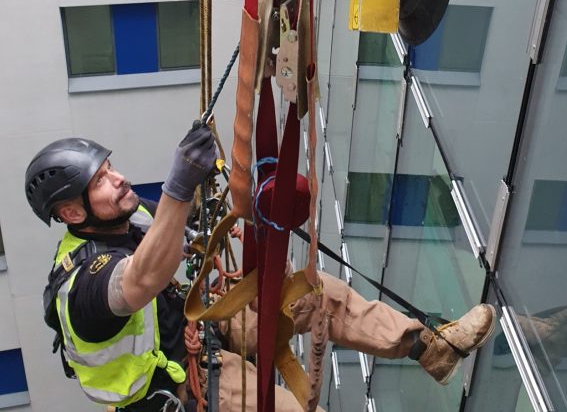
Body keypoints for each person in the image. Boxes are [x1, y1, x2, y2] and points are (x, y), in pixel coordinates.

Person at [26, 125, 496, 411]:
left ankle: (431, 348)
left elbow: (175, 227)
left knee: (303, 291)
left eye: (111, 168)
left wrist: (207, 205)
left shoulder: (129, 218)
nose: (119, 179)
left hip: (199, 332)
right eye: (102, 181)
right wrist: (179, 182)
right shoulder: (81, 288)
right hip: (185, 394)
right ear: (72, 214)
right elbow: (143, 279)